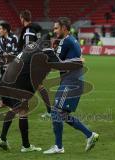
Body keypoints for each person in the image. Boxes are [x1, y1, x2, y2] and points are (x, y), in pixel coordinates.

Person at [0, 34, 84, 152]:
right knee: (23, 111)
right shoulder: (46, 47)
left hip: (4, 81)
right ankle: (25, 146)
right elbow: (60, 65)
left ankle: (2, 138)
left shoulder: (31, 46)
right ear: (50, 40)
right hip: (16, 84)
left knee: (13, 109)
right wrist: (78, 61)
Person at [43, 17, 99, 154]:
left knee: (56, 111)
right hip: (73, 80)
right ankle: (90, 135)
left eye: (56, 28)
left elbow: (57, 62)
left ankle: (59, 147)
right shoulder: (69, 40)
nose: (54, 30)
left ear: (64, 28)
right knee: (61, 113)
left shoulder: (66, 41)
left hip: (71, 81)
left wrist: (47, 52)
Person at [18, 9, 51, 118]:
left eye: (20, 18)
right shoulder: (36, 29)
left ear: (22, 18)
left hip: (31, 62)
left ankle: (24, 108)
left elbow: (29, 48)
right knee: (37, 85)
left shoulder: (28, 31)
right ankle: (49, 111)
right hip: (38, 60)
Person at [0, 22, 18, 108]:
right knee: (0, 82)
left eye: (0, 29)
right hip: (3, 65)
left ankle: (18, 103)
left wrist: (7, 55)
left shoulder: (13, 38)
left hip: (13, 65)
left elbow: (17, 52)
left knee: (12, 84)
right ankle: (3, 102)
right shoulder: (2, 39)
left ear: (5, 30)